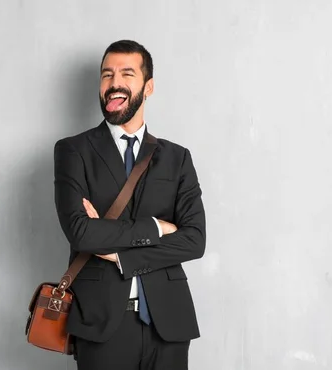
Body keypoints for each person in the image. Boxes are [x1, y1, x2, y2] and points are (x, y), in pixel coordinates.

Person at [53, 39, 206, 370]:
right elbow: (81, 233)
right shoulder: (72, 151)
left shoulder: (177, 158)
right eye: (106, 75)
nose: (114, 83)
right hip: (102, 325)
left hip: (169, 323)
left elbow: (194, 240)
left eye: (126, 73)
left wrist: (118, 254)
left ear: (148, 87)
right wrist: (156, 228)